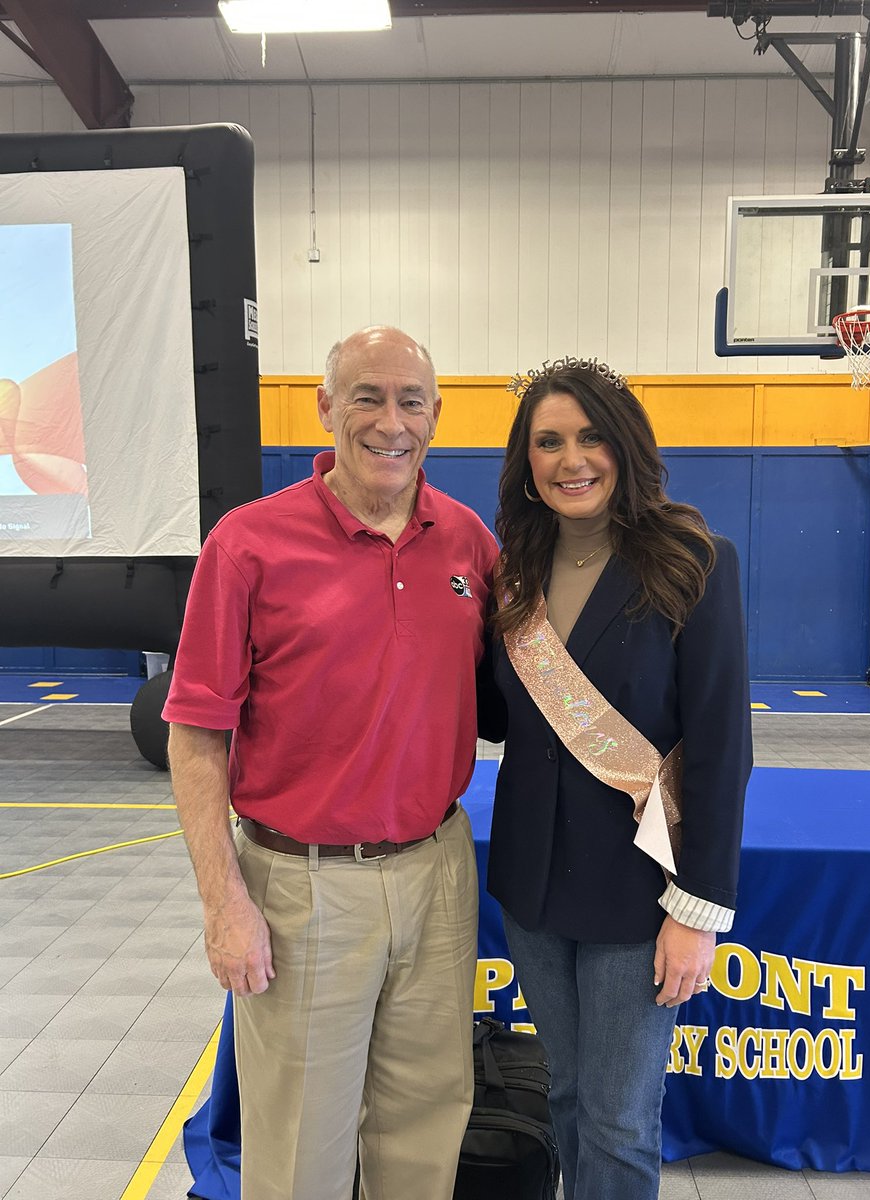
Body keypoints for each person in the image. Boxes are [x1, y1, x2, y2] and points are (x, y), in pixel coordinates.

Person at [163, 326, 499, 1200]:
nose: (392, 422)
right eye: (367, 397)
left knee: (427, 1126)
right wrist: (222, 901)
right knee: (300, 1147)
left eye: (411, 401)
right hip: (302, 886)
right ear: (325, 407)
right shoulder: (247, 546)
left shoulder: (467, 543)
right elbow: (197, 736)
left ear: (436, 416)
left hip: (438, 872)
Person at [487, 357, 752, 1200]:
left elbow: (720, 748)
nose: (573, 459)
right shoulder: (512, 577)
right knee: (563, 1095)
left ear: (625, 445)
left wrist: (697, 911)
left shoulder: (695, 561)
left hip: (642, 896)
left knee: (620, 1121)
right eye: (550, 441)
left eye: (592, 436)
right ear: (526, 463)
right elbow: (501, 718)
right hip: (531, 889)